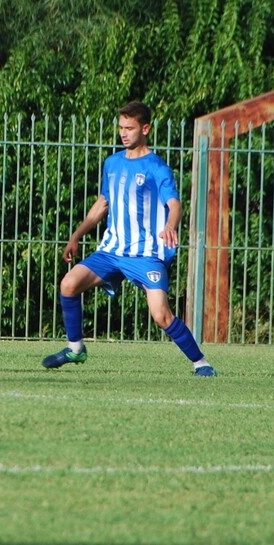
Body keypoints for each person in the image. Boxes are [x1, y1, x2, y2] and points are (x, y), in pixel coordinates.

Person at [43, 101, 216, 376]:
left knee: (161, 314)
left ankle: (201, 364)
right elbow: (102, 203)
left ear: (145, 129)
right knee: (68, 284)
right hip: (111, 251)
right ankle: (75, 349)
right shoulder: (112, 163)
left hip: (145, 254)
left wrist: (170, 226)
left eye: (129, 128)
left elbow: (175, 204)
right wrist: (76, 235)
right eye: (121, 127)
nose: (123, 133)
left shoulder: (157, 167)